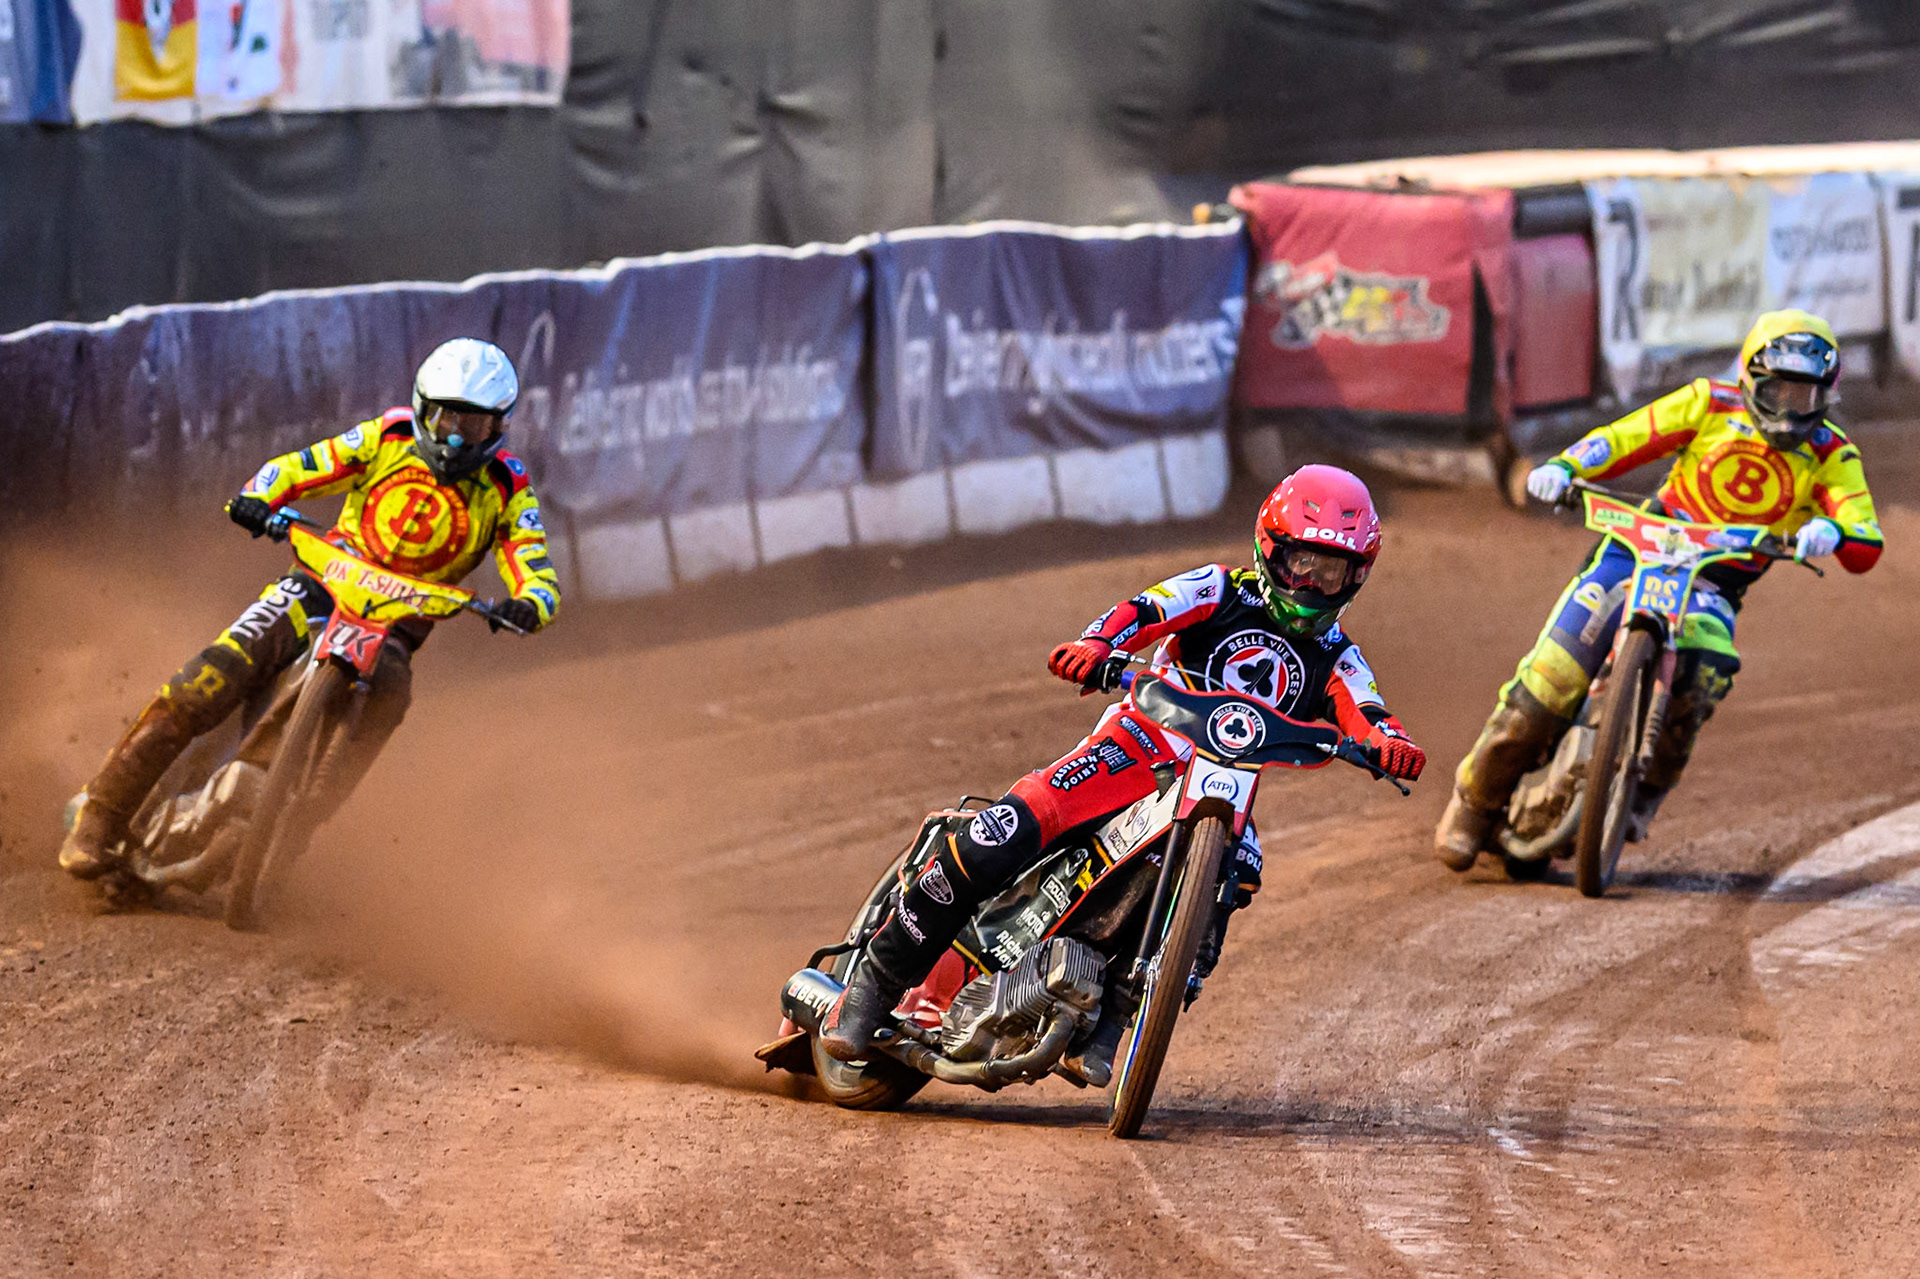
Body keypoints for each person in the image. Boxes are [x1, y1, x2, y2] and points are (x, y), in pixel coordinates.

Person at [819, 464, 1427, 1081]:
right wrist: (1097, 645)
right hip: (1136, 745)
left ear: (1358, 575)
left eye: (1332, 572)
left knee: (1239, 869)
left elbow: (1369, 712)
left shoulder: (1339, 656)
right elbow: (1144, 610)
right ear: (1269, 548)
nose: (1312, 585)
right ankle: (872, 984)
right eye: (1302, 563)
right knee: (1004, 829)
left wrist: (1389, 744)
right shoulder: (1220, 588)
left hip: (1224, 786)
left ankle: (1117, 1016)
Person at [58, 337, 561, 881]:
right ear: (421, 409)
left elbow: (533, 563)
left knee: (391, 696)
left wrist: (532, 603)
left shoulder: (508, 488)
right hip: (320, 585)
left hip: (395, 624)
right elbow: (303, 466)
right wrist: (258, 497)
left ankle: (296, 828)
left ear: (500, 426)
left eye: (475, 424)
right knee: (209, 678)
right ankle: (101, 814)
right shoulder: (387, 437)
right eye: (445, 418)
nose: (457, 436)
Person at [1435, 310, 1884, 870]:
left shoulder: (1831, 453)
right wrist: (1568, 465)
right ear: (1749, 379)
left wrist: (1834, 530)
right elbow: (1628, 437)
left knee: (1708, 670)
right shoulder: (1708, 402)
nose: (1790, 408)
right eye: (1778, 391)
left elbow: (1865, 537)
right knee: (1552, 673)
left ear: (1827, 395)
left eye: (1805, 395)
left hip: (1715, 580)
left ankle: (1637, 800)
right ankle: (1474, 803)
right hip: (1638, 547)